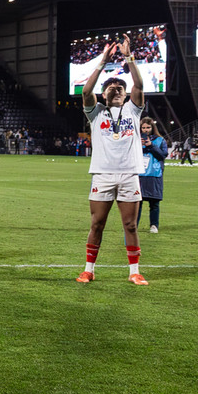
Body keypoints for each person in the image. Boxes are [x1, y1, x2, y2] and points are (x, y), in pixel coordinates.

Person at [76, 38, 147, 284]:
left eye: (120, 88)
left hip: (129, 174)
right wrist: (102, 63)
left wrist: (129, 58)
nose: (116, 90)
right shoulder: (96, 113)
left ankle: (134, 272)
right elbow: (86, 92)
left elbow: (139, 84)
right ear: (104, 94)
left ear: (126, 94)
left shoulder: (132, 110)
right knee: (97, 224)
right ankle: (89, 269)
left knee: (130, 225)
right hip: (103, 175)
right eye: (111, 88)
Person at [138, 116, 168, 234]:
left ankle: (154, 225)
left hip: (154, 174)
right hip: (139, 174)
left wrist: (151, 145)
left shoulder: (160, 140)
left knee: (154, 203)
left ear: (152, 128)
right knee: (137, 203)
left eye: (148, 127)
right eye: (143, 127)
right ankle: (134, 225)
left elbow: (162, 155)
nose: (145, 130)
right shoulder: (136, 139)